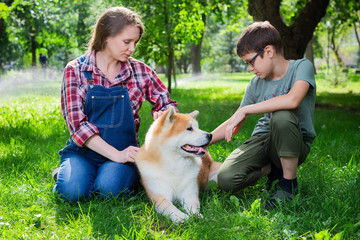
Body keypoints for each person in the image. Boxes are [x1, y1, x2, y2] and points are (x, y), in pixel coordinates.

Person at [52, 7, 177, 203]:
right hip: (84, 152)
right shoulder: (75, 70)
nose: (132, 48)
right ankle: (69, 174)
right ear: (105, 37)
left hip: (126, 152)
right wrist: (115, 155)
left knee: (109, 191)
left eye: (135, 42)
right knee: (72, 193)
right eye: (127, 42)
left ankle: (92, 177)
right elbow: (77, 126)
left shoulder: (140, 71)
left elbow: (167, 104)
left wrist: (164, 114)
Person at [209, 21, 316, 209]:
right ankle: (271, 170)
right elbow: (236, 121)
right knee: (226, 179)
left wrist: (247, 109)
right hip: (263, 140)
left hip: (294, 140)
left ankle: (288, 186)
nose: (250, 68)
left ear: (268, 51)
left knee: (282, 115)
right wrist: (203, 141)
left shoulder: (301, 67)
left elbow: (292, 100)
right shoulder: (255, 84)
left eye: (251, 61)